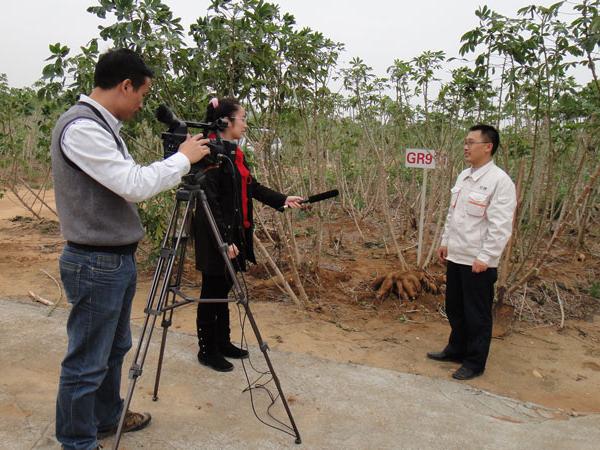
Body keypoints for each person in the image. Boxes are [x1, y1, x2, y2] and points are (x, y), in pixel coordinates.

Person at [51, 48, 210, 450]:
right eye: (141, 94)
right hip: (94, 261)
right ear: (125, 85)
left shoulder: (101, 127)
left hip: (112, 259)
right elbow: (133, 185)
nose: (142, 104)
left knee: (115, 347)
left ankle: (106, 417)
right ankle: (77, 441)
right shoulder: (82, 128)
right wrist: (181, 160)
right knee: (86, 362)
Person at [192, 97, 304, 372]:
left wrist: (282, 199)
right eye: (242, 118)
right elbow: (210, 200)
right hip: (215, 233)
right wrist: (223, 240)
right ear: (224, 122)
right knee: (212, 289)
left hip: (234, 232)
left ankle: (223, 341)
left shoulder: (234, 154)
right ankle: (207, 349)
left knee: (225, 285)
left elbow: (251, 186)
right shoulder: (208, 154)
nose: (245, 123)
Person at [428, 124, 516, 381]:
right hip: (457, 254)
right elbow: (452, 214)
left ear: (487, 147)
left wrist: (486, 258)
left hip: (478, 261)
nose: (466, 147)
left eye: (471, 142)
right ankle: (456, 349)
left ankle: (475, 362)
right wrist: (445, 241)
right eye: (465, 142)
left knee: (476, 314)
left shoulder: (500, 182)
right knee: (454, 307)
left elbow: (500, 226)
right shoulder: (463, 176)